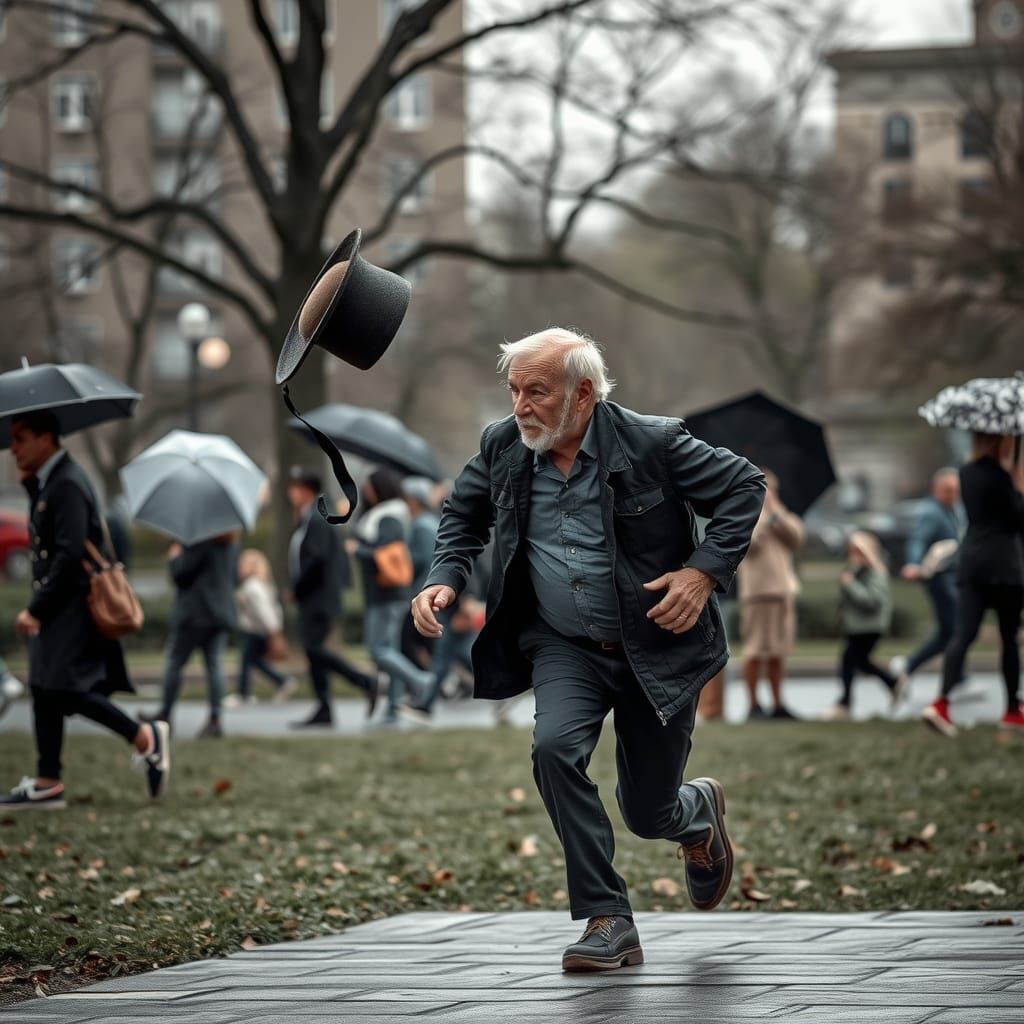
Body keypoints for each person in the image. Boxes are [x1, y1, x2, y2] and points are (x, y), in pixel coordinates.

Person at [412, 328, 764, 971]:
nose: (520, 405)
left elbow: (744, 486)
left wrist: (702, 572)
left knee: (648, 811)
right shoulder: (504, 446)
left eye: (536, 391)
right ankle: (608, 918)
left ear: (583, 393)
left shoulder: (653, 443)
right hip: (562, 642)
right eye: (514, 389)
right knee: (552, 751)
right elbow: (462, 516)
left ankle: (697, 814)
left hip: (655, 644)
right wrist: (441, 578)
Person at [0, 411, 168, 809]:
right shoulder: (50, 482)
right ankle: (47, 781)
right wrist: (30, 489)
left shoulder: (68, 483)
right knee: (44, 686)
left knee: (67, 689)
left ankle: (145, 737)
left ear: (47, 438)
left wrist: (37, 608)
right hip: (61, 604)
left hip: (71, 604)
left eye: (22, 437)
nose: (14, 447)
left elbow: (70, 552)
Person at [923, 433, 1024, 737]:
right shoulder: (1003, 476)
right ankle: (1011, 709)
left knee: (963, 635)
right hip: (1004, 565)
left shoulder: (966, 473)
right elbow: (1018, 518)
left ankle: (940, 703)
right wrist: (1018, 485)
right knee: (1009, 638)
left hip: (972, 563)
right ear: (1000, 440)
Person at [287, 468, 377, 728]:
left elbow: (316, 560)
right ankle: (324, 708)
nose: (290, 493)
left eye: (294, 488)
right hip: (314, 598)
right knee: (313, 651)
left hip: (319, 598)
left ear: (305, 490)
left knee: (315, 649)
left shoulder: (316, 519)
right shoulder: (308, 518)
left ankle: (364, 681)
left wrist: (297, 589)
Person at [348, 468, 434, 726]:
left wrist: (357, 549)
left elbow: (385, 552)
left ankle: (420, 680)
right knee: (391, 650)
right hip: (389, 594)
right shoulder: (389, 514)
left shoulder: (389, 517)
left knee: (379, 650)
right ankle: (393, 711)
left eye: (369, 486)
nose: (365, 490)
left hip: (386, 594)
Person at [891, 468, 973, 702]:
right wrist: (913, 563)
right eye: (948, 490)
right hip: (938, 579)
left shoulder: (953, 511)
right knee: (956, 628)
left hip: (952, 577)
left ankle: (909, 665)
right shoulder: (931, 513)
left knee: (949, 632)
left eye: (956, 491)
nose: (952, 495)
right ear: (936, 490)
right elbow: (917, 539)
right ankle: (958, 678)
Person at [150, 533, 238, 738]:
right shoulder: (231, 538)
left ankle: (165, 714)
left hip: (195, 612)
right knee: (214, 664)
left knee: (174, 661)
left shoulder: (199, 538)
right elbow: (233, 575)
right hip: (220, 611)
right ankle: (215, 719)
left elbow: (181, 573)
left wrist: (174, 557)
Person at [736, 470, 804, 721]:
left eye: (772, 488)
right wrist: (763, 517)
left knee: (779, 651)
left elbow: (796, 538)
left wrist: (776, 515)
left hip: (783, 590)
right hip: (757, 593)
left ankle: (778, 704)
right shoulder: (745, 513)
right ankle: (753, 705)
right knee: (755, 651)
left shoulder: (780, 514)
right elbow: (749, 545)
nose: (769, 493)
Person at [821, 531, 898, 720]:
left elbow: (871, 601)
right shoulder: (857, 571)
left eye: (858, 551)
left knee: (850, 661)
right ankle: (892, 683)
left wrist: (850, 584)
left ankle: (845, 704)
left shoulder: (875, 573)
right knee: (857, 662)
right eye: (851, 551)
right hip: (858, 627)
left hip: (869, 628)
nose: (853, 556)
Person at [226, 548, 297, 707]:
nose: (239, 567)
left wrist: (273, 631)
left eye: (243, 564)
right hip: (260, 629)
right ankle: (281, 681)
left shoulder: (252, 586)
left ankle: (244, 694)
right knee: (252, 661)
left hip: (254, 630)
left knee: (248, 661)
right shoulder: (263, 584)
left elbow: (264, 610)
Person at [399, 476, 441, 669]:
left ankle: (428, 680)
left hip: (421, 591)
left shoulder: (421, 526)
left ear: (413, 500)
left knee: (410, 641)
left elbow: (420, 560)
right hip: (431, 590)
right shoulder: (432, 522)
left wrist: (401, 558)